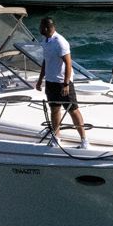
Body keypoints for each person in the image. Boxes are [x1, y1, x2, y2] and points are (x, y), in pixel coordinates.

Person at [35, 16, 88, 149]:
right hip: (50, 81)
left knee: (72, 110)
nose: (39, 29)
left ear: (46, 28)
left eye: (41, 27)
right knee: (54, 109)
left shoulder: (60, 42)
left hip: (62, 82)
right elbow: (45, 61)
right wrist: (40, 79)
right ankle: (56, 137)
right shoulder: (45, 40)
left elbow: (68, 63)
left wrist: (66, 84)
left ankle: (84, 140)